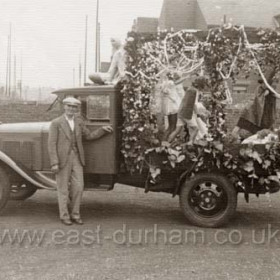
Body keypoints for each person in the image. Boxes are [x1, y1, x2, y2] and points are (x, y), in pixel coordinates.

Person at [48, 97, 113, 225]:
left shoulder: (79, 122)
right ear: (64, 107)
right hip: (62, 160)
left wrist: (102, 130)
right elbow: (51, 144)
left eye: (74, 107)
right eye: (69, 106)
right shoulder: (56, 123)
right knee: (62, 189)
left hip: (77, 158)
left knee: (78, 187)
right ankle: (64, 216)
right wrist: (54, 162)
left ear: (76, 109)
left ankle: (75, 214)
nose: (71, 109)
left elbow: (88, 136)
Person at [231, 64, 279, 140]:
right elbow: (234, 133)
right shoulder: (249, 111)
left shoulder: (267, 115)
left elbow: (275, 95)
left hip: (262, 122)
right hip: (253, 118)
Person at [168, 75, 209, 144]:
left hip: (181, 112)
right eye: (204, 85)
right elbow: (193, 104)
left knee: (177, 130)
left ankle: (166, 144)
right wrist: (199, 114)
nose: (204, 87)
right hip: (186, 113)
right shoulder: (194, 91)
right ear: (201, 85)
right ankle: (189, 144)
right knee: (196, 129)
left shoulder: (190, 89)